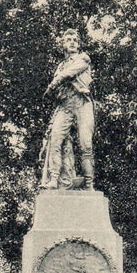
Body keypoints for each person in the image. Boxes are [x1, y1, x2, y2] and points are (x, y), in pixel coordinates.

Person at [40, 28, 95, 190]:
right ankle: (54, 179)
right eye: (68, 39)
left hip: (82, 104)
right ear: (63, 45)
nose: (72, 42)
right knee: (55, 140)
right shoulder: (60, 66)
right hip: (65, 106)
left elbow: (69, 74)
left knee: (86, 146)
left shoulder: (83, 58)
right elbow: (55, 92)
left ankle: (89, 185)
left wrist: (53, 84)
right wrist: (54, 89)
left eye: (75, 40)